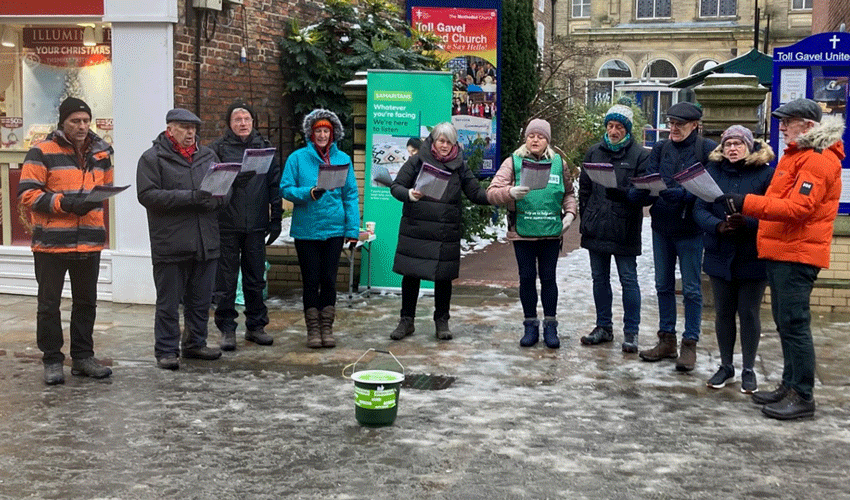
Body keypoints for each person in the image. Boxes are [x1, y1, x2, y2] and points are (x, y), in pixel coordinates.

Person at [717, 98, 845, 419]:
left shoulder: (818, 160)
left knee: (795, 325)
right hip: (781, 251)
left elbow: (799, 209)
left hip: (797, 254)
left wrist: (746, 202)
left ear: (810, 126)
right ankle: (789, 386)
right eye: (782, 121)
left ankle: (802, 395)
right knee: (785, 324)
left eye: (788, 121)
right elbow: (778, 201)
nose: (782, 127)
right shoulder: (796, 156)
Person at [18, 97, 114, 384]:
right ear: (63, 123)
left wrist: (93, 201)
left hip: (89, 240)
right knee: (49, 305)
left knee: (86, 303)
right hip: (51, 243)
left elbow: (105, 186)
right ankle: (52, 360)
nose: (82, 126)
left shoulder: (102, 151)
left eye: (86, 120)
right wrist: (66, 204)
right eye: (76, 121)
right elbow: (27, 194)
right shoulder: (41, 151)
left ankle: (83, 357)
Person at [137, 108, 226, 370]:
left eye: (194, 128)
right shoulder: (152, 158)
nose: (190, 133)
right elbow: (148, 196)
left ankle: (195, 343)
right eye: (184, 128)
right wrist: (191, 197)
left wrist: (218, 198)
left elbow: (223, 191)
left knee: (200, 300)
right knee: (168, 303)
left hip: (205, 240)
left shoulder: (208, 155)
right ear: (170, 129)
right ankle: (166, 350)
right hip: (171, 243)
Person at [389, 122, 490, 341]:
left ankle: (441, 321)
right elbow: (396, 187)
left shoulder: (460, 165)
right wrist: (408, 194)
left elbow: (475, 193)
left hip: (445, 230)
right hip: (416, 228)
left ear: (455, 144)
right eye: (441, 141)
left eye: (449, 142)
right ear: (433, 141)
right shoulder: (417, 161)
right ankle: (406, 321)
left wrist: (500, 195)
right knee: (411, 275)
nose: (444, 146)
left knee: (443, 277)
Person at [694, 125, 774, 394]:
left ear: (749, 146)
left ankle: (749, 368)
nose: (732, 148)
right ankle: (726, 365)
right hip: (719, 251)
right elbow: (699, 208)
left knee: (749, 313)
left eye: (739, 143)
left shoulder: (765, 174)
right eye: (728, 144)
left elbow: (771, 212)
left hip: (752, 254)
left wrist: (748, 222)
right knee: (723, 313)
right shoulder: (712, 172)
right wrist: (718, 226)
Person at [639, 102, 717, 371]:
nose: (673, 128)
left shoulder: (705, 149)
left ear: (695, 125)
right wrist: (644, 189)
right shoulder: (661, 148)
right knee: (663, 285)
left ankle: (690, 343)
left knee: (692, 289)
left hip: (690, 229)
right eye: (671, 123)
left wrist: (686, 195)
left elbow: (712, 189)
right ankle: (667, 339)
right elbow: (651, 174)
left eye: (680, 124)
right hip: (661, 225)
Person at [487, 119, 577, 348]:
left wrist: (569, 215)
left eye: (540, 136)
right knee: (526, 278)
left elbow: (569, 193)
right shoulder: (513, 162)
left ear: (548, 139)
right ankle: (529, 325)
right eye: (531, 136)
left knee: (549, 279)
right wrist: (510, 192)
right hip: (523, 233)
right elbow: (492, 192)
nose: (535, 139)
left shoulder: (559, 162)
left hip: (550, 233)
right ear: (525, 138)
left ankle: (550, 326)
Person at [280, 109, 359, 348]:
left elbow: (350, 195)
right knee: (311, 280)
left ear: (332, 134)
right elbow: (285, 188)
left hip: (334, 229)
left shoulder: (343, 159)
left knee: (329, 280)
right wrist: (308, 193)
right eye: (318, 131)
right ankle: (312, 330)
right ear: (311, 134)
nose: (322, 135)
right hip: (307, 230)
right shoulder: (297, 158)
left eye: (326, 131)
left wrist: (352, 229)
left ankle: (327, 327)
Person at [210, 101, 282, 351]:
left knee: (255, 278)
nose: (243, 123)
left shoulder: (265, 149)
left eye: (247, 119)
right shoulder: (217, 149)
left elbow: (275, 185)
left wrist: (276, 218)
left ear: (253, 122)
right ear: (229, 123)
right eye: (237, 119)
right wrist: (233, 181)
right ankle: (227, 329)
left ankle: (256, 326)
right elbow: (212, 185)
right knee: (226, 281)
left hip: (256, 225)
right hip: (227, 224)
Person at [578, 104, 650, 352]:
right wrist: (587, 214)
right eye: (610, 126)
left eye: (619, 127)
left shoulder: (640, 155)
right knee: (599, 279)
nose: (613, 131)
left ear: (627, 130)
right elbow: (584, 189)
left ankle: (631, 332)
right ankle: (603, 326)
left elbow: (645, 193)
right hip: (596, 225)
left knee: (628, 279)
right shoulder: (594, 152)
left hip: (624, 226)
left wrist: (624, 195)